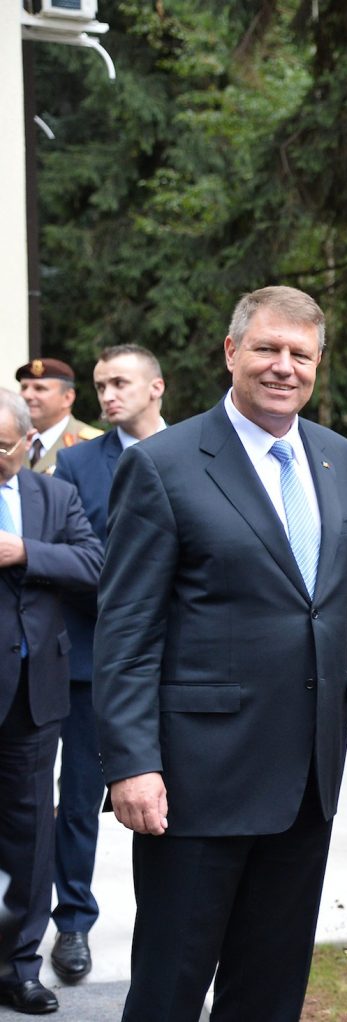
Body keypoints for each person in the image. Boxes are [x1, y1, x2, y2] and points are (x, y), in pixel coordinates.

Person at [94, 286, 347, 1021]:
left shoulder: (341, 460)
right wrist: (132, 763)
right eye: (267, 348)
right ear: (232, 352)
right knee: (170, 988)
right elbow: (127, 630)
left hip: (306, 779)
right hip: (196, 782)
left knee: (269, 991)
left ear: (318, 365)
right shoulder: (164, 465)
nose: (283, 367)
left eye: (301, 354)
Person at [46, 345, 168, 984]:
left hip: (179, 664)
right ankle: (73, 922)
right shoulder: (76, 463)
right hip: (94, 659)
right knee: (78, 800)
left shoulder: (201, 452)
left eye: (120, 382)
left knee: (180, 799)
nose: (108, 395)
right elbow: (70, 556)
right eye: (100, 385)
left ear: (156, 388)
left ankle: (175, 922)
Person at [0, 389, 103, 1014]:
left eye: (1, 446)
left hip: (34, 696)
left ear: (26, 441)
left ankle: (18, 967)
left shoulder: (53, 496)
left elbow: (94, 563)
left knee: (30, 836)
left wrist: (26, 552)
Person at [13, 359, 101, 475]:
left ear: (67, 397)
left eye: (39, 388)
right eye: (24, 388)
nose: (27, 395)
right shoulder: (11, 441)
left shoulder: (93, 444)